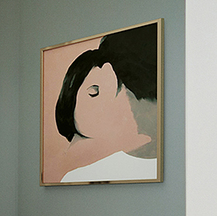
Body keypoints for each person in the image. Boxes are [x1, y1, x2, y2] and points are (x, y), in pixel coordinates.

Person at [50, 26, 159, 184]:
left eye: (117, 93)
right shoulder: (75, 171)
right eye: (93, 92)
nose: (104, 108)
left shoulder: (131, 156)